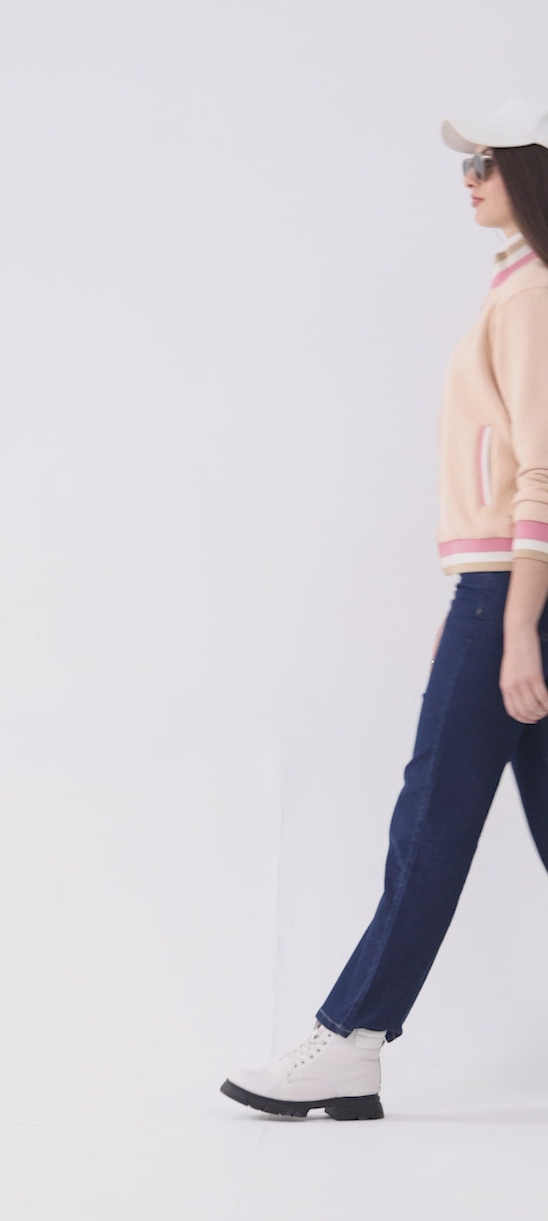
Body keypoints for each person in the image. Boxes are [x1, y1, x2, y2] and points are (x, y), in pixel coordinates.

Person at [220, 97, 548, 1121]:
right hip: (507, 588)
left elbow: (541, 471)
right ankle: (353, 1045)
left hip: (513, 590)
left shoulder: (532, 295)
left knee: (433, 811)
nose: (469, 179)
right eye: (465, 165)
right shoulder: (518, 286)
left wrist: (511, 625)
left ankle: (350, 1040)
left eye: (486, 162)